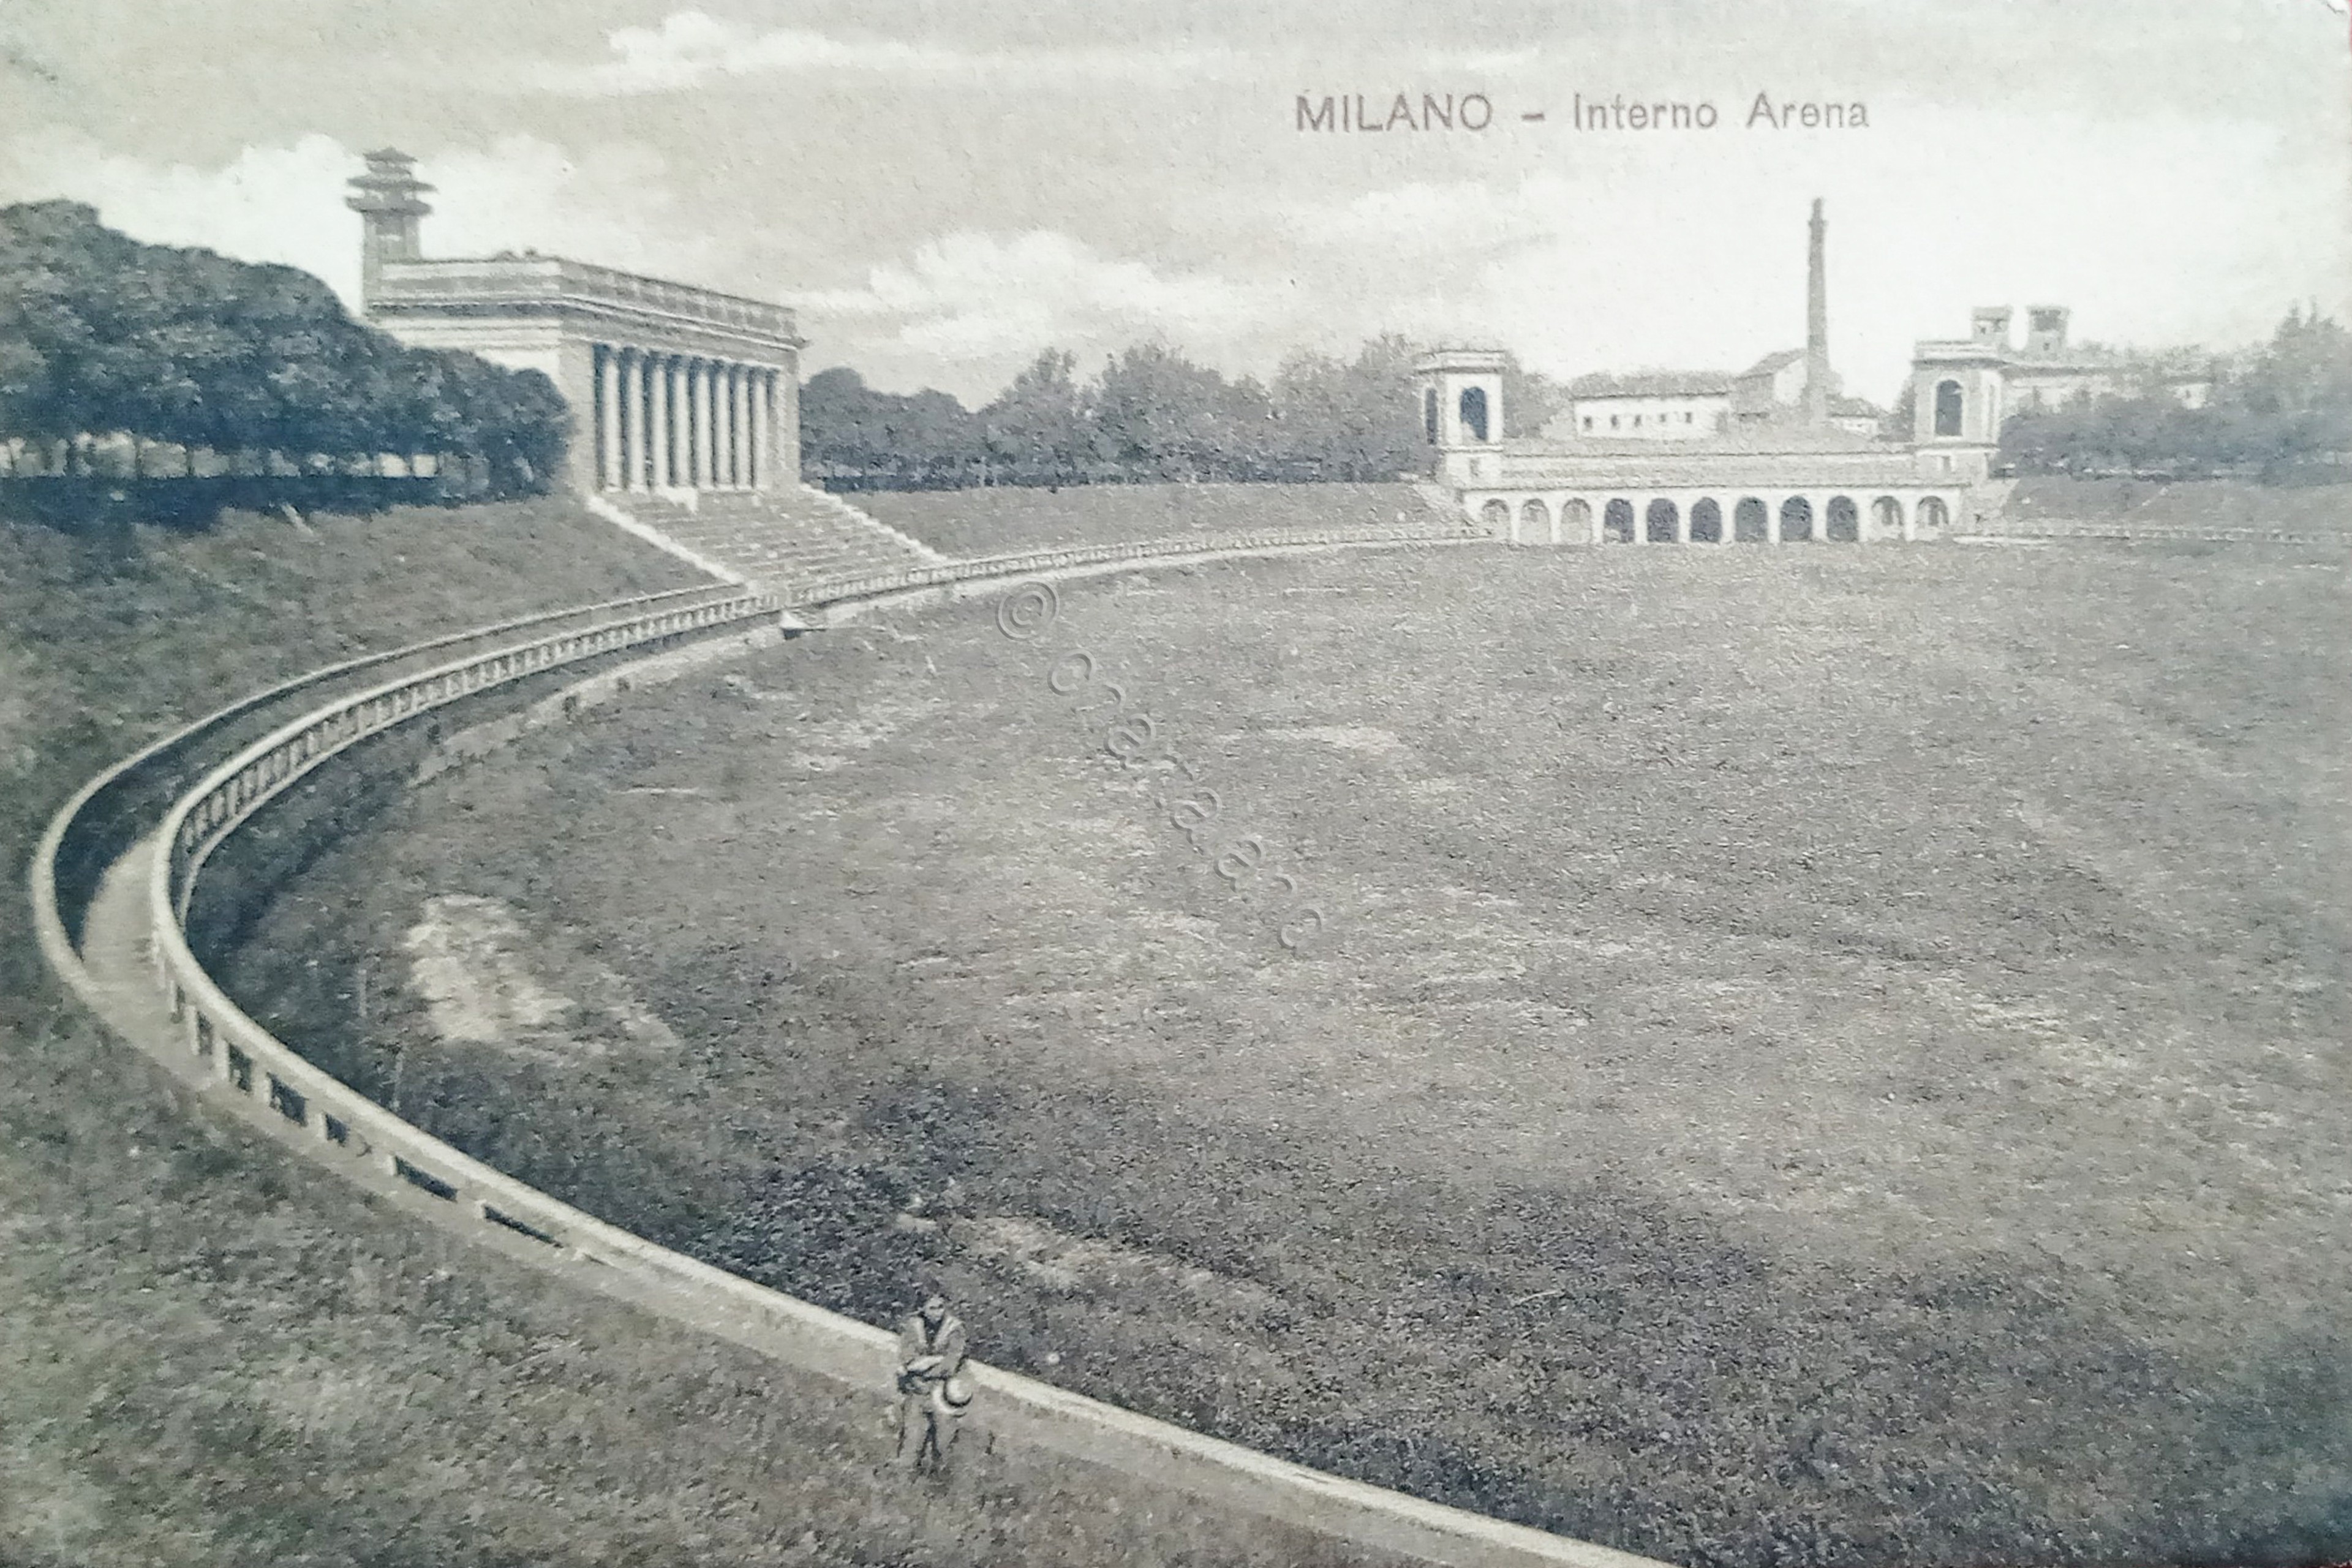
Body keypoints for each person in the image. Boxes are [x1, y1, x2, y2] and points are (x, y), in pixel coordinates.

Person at [894, 1287, 971, 1472]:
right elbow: (908, 1357)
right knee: (911, 1441)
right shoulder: (913, 1326)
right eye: (932, 1308)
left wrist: (923, 1367)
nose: (938, 1312)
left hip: (944, 1394)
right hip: (917, 1390)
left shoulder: (955, 1329)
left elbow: (950, 1365)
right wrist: (931, 1361)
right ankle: (904, 1481)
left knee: (942, 1446)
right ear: (923, 1309)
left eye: (940, 1307)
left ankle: (939, 1483)